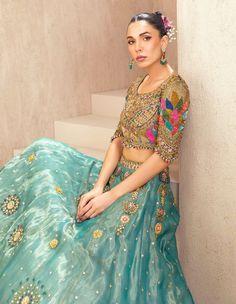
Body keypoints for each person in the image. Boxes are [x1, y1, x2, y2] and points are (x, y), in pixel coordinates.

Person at [0, 10, 195, 304]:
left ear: (163, 42)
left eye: (146, 38)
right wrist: (98, 187)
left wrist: (111, 196)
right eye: (131, 41)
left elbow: (164, 156)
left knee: (87, 242)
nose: (138, 47)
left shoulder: (175, 89)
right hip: (116, 175)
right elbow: (118, 138)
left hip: (146, 191)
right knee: (44, 153)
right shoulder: (137, 86)